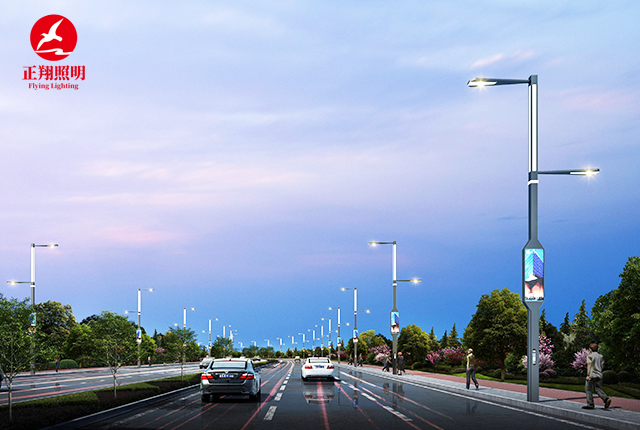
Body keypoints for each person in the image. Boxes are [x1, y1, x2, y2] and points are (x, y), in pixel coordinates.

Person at [583, 343, 612, 410]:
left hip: (592, 375)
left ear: (590, 349)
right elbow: (602, 366)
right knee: (597, 389)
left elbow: (589, 366)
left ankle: (590, 404)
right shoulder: (601, 356)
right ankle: (606, 399)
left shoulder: (589, 356)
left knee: (588, 389)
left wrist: (588, 375)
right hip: (599, 375)